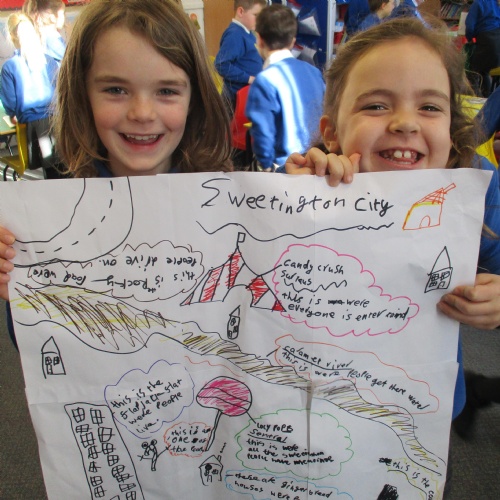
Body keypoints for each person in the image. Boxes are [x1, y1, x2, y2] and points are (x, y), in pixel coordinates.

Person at [284, 17, 500, 426]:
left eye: (430, 107)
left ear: (451, 125)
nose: (405, 122)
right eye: (376, 105)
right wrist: (294, 193)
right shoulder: (312, 182)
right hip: (316, 399)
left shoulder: (478, 189)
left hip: (422, 406)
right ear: (332, 132)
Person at [0, 0, 233, 342]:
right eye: (116, 90)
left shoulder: (229, 205)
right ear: (83, 96)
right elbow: (42, 348)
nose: (142, 113)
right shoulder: (50, 224)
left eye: (167, 91)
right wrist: (16, 282)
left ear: (193, 100)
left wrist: (316, 197)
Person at [245, 4, 325, 171]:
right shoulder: (314, 72)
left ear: (259, 39)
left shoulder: (265, 81)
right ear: (292, 41)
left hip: (286, 169)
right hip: (317, 163)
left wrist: (266, 168)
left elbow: (263, 135)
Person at [0, 12, 59, 171]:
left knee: (47, 173)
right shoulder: (49, 60)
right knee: (62, 170)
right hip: (58, 122)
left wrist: (13, 114)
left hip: (33, 127)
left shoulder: (10, 67)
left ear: (12, 36)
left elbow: (10, 104)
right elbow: (59, 90)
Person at [214, 0, 266, 113]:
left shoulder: (248, 33)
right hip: (235, 99)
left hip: (247, 96)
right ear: (240, 12)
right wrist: (249, 78)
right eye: (256, 15)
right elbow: (221, 65)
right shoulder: (234, 34)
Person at [465, 0, 500, 97]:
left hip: (487, 40)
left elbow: (469, 25)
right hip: (498, 41)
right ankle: (487, 96)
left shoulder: (478, 3)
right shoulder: (496, 3)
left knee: (473, 71)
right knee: (485, 70)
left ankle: (475, 97)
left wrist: (470, 38)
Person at [23, 0, 66, 66]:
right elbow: (72, 60)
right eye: (62, 14)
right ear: (52, 18)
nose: (64, 17)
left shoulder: (38, 37)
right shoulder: (53, 40)